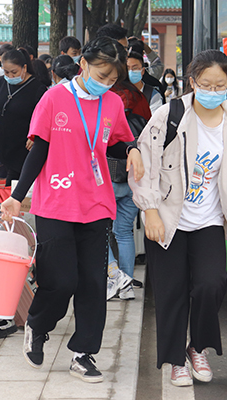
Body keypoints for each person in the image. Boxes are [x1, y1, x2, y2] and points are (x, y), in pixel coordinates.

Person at [129, 49, 227, 387]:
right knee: (171, 293)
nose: (213, 91)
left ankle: (197, 347)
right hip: (167, 220)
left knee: (211, 286)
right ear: (192, 82)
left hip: (209, 221)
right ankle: (175, 361)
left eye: (220, 85)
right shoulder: (169, 116)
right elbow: (146, 166)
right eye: (206, 84)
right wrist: (150, 211)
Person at [0, 36, 143, 381]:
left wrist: (133, 149)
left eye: (112, 79)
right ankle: (38, 325)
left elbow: (117, 142)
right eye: (102, 75)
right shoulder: (54, 98)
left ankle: (84, 353)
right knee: (61, 281)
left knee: (93, 283)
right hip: (56, 203)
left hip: (97, 203)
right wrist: (18, 195)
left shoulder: (111, 103)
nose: (106, 84)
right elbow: (39, 150)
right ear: (83, 66)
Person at [106, 73, 152, 301]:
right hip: (135, 177)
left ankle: (115, 275)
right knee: (124, 232)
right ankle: (126, 285)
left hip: (108, 178)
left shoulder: (105, 99)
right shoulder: (140, 98)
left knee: (98, 232)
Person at [0, 48, 47, 187]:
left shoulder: (37, 88)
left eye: (14, 72)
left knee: (16, 186)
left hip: (24, 147)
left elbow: (45, 117)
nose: (10, 76)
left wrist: (35, 135)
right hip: (4, 146)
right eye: (6, 72)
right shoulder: (1, 83)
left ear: (24, 68)